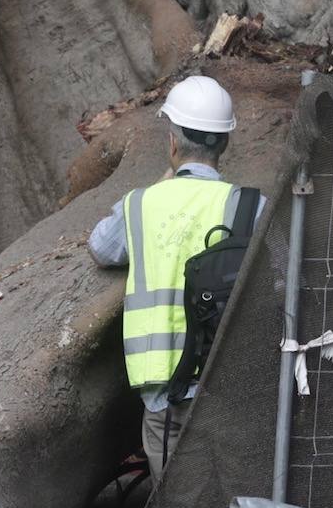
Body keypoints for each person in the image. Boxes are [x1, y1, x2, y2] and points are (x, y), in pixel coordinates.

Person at [87, 76, 263, 486]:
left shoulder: (138, 206)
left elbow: (100, 247)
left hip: (164, 396)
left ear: (172, 142)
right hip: (230, 386)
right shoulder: (249, 206)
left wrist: (164, 181)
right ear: (225, 143)